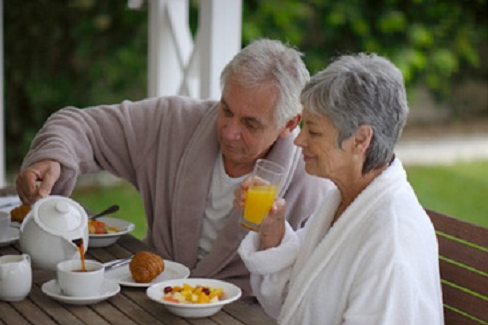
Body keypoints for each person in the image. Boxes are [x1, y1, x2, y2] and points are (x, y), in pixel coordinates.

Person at [15, 39, 332, 300]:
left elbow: (305, 294)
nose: (229, 131)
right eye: (226, 110)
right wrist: (52, 157)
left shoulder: (313, 183)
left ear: (289, 124)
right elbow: (79, 125)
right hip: (147, 299)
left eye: (250, 123)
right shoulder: (172, 122)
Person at [236, 53, 444, 323]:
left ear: (360, 139)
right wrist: (272, 230)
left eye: (314, 131)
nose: (299, 140)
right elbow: (294, 301)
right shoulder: (343, 199)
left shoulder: (392, 237)